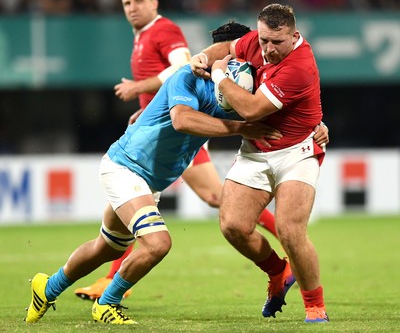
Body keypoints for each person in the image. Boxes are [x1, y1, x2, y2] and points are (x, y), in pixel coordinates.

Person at [24, 21, 286, 325]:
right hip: (125, 167)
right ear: (225, 51)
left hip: (150, 180)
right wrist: (241, 127)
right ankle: (108, 303)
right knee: (158, 242)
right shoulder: (188, 75)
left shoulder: (238, 88)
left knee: (106, 248)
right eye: (243, 50)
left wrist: (316, 125)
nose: (252, 57)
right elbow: (182, 120)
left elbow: (283, 107)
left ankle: (47, 287)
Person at [73, 0, 288, 302]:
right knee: (143, 203)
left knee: (212, 198)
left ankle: (284, 246)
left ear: (154, 3)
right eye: (126, 3)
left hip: (184, 126)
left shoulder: (164, 31)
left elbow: (182, 65)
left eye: (138, 1)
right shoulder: (142, 36)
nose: (131, 8)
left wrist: (139, 90)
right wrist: (146, 111)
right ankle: (113, 280)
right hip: (164, 125)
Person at [191, 4, 329, 323]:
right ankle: (279, 271)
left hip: (298, 151)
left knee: (290, 230)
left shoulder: (299, 66)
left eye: (276, 42)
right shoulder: (256, 41)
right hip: (255, 149)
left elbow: (253, 110)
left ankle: (315, 307)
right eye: (264, 40)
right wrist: (202, 56)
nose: (268, 49)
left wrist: (218, 76)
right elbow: (226, 47)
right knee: (233, 227)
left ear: (294, 36)